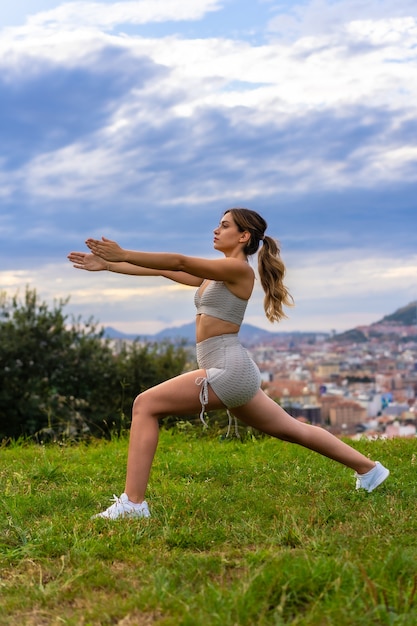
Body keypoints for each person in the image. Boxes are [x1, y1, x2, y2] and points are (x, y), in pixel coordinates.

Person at [68, 208, 389, 519]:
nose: (215, 230)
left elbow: (178, 260)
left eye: (224, 225)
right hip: (233, 369)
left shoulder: (239, 271)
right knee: (294, 430)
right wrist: (110, 266)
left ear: (243, 236)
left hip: (227, 369)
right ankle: (370, 469)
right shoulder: (215, 274)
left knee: (145, 405)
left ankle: (133, 505)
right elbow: (165, 270)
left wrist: (123, 253)